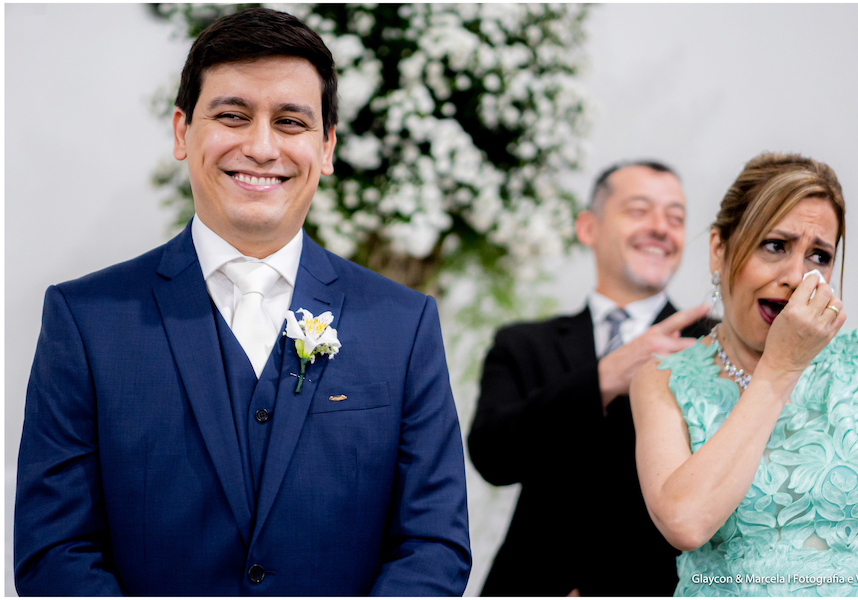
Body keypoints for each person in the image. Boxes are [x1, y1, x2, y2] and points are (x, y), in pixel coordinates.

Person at [14, 8, 470, 596]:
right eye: (232, 116)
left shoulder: (404, 325)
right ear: (182, 132)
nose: (260, 146)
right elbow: (54, 551)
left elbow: (433, 544)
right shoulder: (85, 320)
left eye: (290, 122)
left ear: (326, 147)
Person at [632, 152, 858, 596]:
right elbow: (685, 522)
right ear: (719, 250)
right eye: (775, 246)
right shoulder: (662, 380)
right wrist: (780, 368)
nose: (796, 276)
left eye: (819, 256)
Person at [468, 160, 714, 596]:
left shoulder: (713, 344)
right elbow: (493, 455)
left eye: (675, 218)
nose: (661, 228)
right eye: (639, 210)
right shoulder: (524, 343)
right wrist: (605, 376)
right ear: (588, 228)